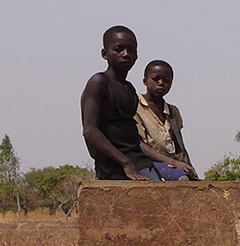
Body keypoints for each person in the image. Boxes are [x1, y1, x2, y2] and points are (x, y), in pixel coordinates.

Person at [80, 26, 158, 181]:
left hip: (138, 161)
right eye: (118, 49)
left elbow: (134, 138)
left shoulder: (129, 89)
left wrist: (170, 160)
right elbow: (89, 130)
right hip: (115, 165)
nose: (126, 54)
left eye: (131, 50)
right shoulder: (99, 82)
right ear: (105, 54)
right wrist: (125, 162)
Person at [135, 60, 198, 180]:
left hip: (170, 163)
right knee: (181, 180)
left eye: (166, 80)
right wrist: (173, 162)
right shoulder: (137, 106)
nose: (161, 83)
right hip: (148, 162)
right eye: (156, 79)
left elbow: (180, 147)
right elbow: (139, 145)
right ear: (145, 81)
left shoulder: (172, 111)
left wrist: (189, 166)